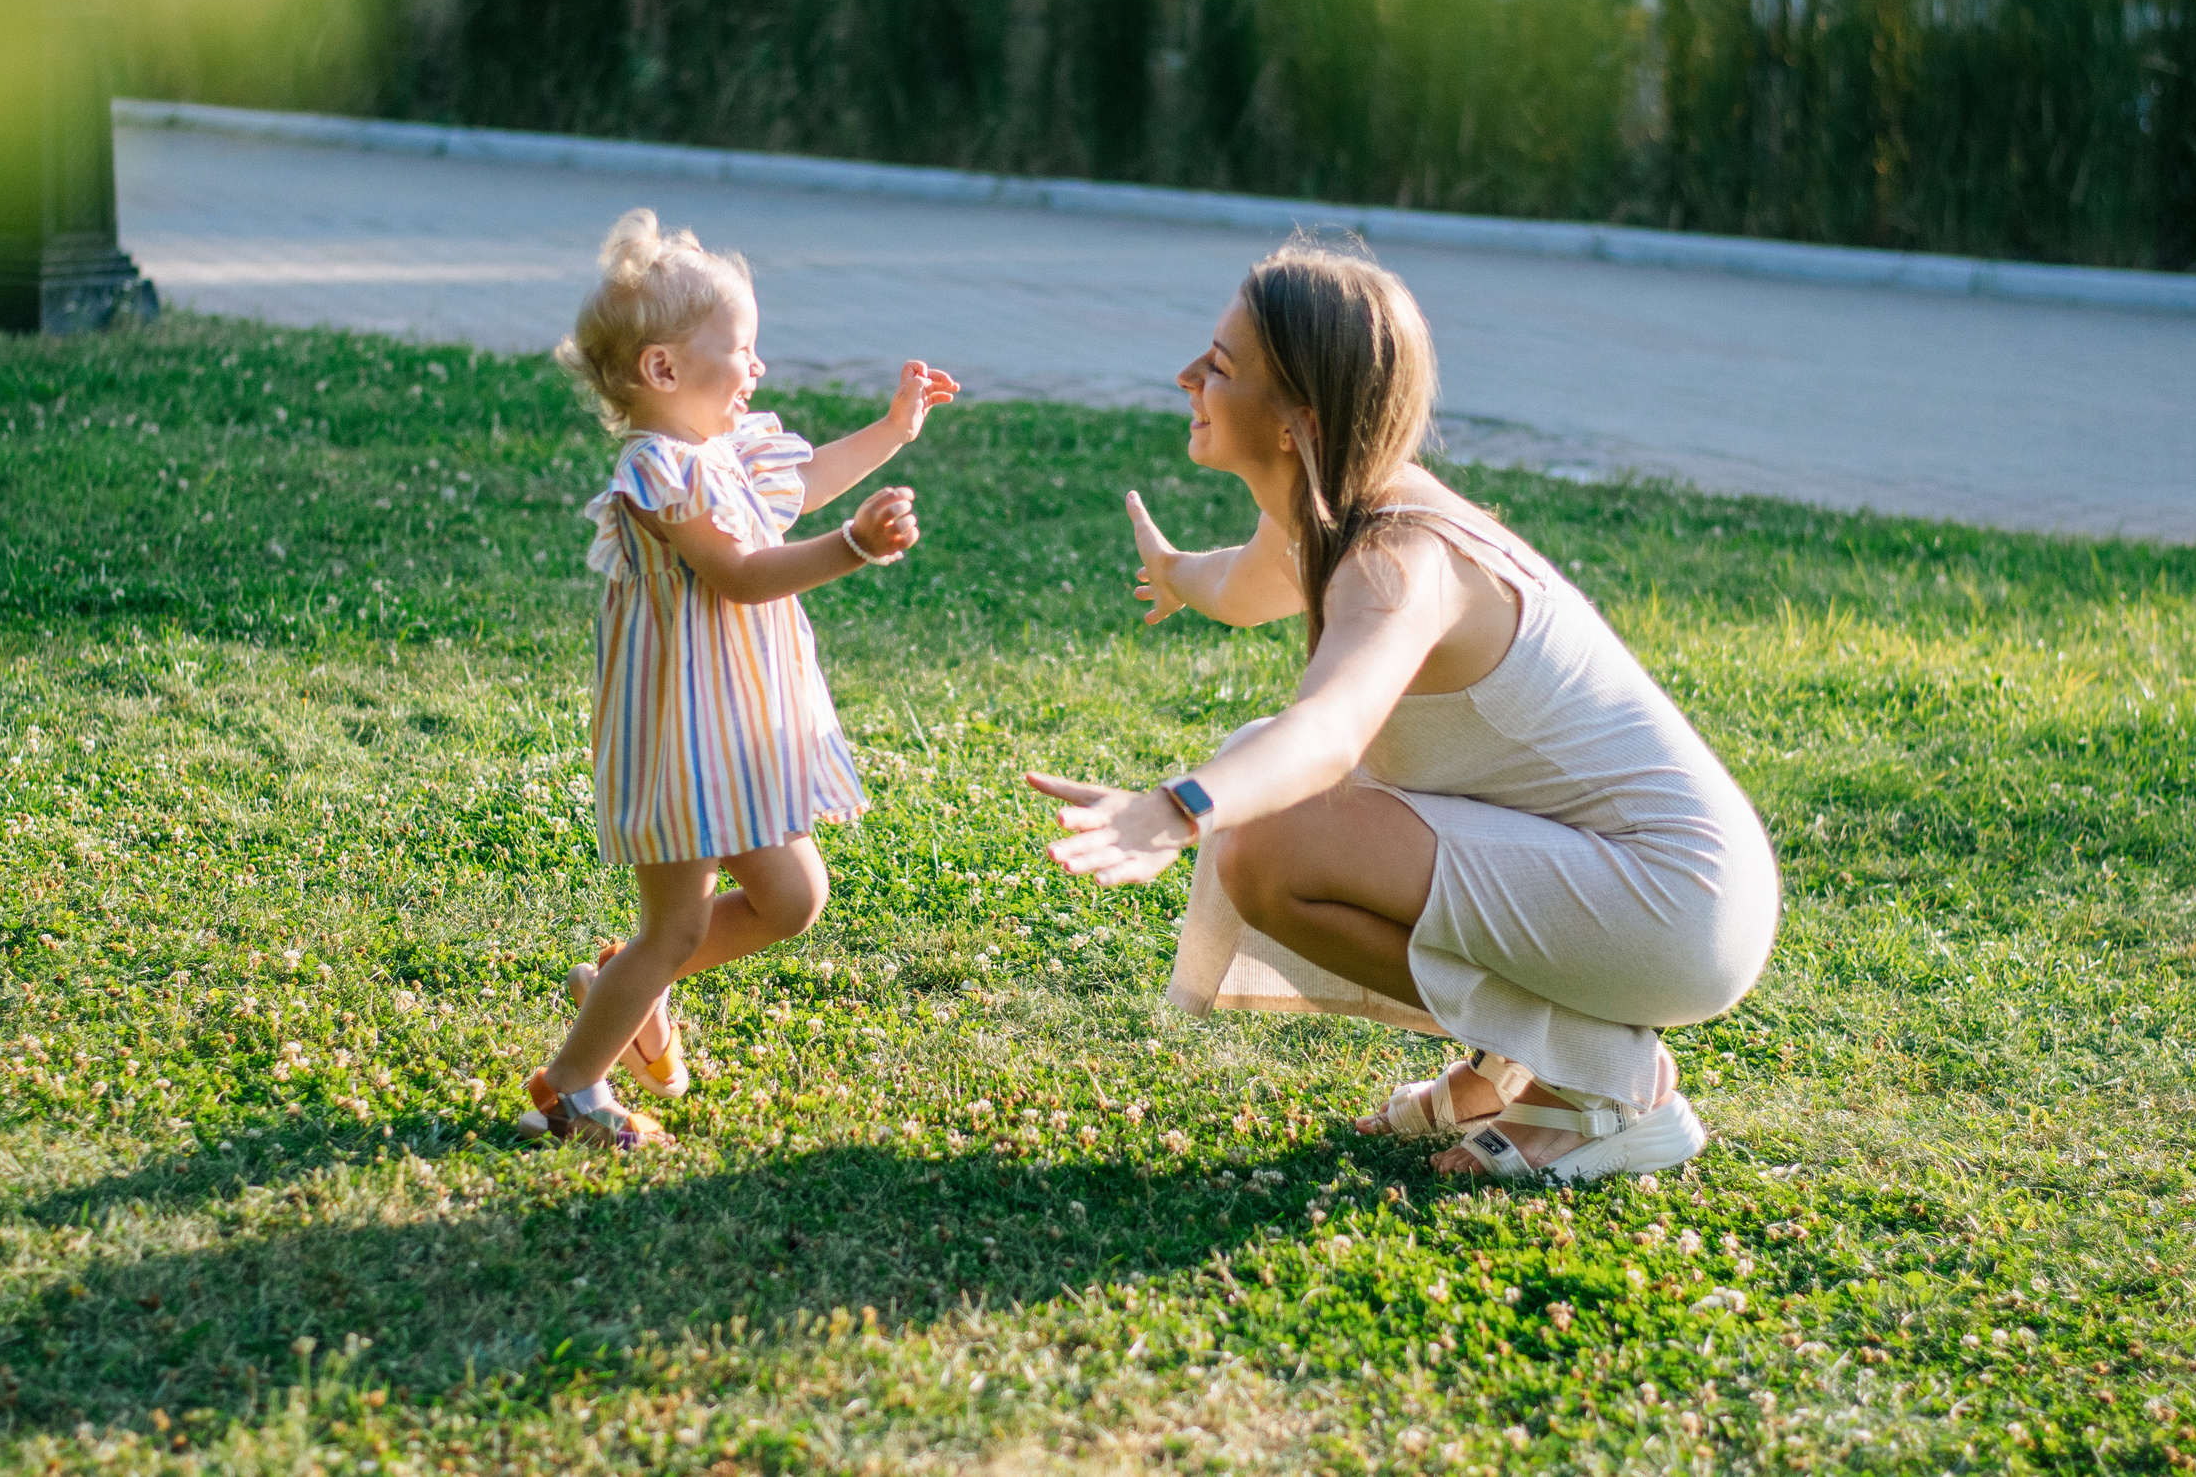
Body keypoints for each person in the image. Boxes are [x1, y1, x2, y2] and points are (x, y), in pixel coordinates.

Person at [1027, 238, 1778, 1184]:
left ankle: (1604, 1092)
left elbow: (1328, 731)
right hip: (1635, 886)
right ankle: (1520, 1062)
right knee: (1260, 803)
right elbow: (1245, 580)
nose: (1186, 377)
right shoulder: (1328, 509)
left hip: (1677, 903)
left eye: (1218, 367)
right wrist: (1175, 573)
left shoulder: (1396, 557)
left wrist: (1176, 809)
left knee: (1264, 843)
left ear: (1299, 421)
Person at [519, 209, 960, 1145]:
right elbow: (741, 574)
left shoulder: (726, 452)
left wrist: (893, 428)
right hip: (678, 738)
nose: (757, 366)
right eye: (741, 348)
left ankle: (617, 988)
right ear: (664, 370)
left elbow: (802, 483)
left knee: (794, 897)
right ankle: (572, 1085)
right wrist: (851, 550)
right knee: (673, 929)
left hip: (741, 730)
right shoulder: (657, 471)